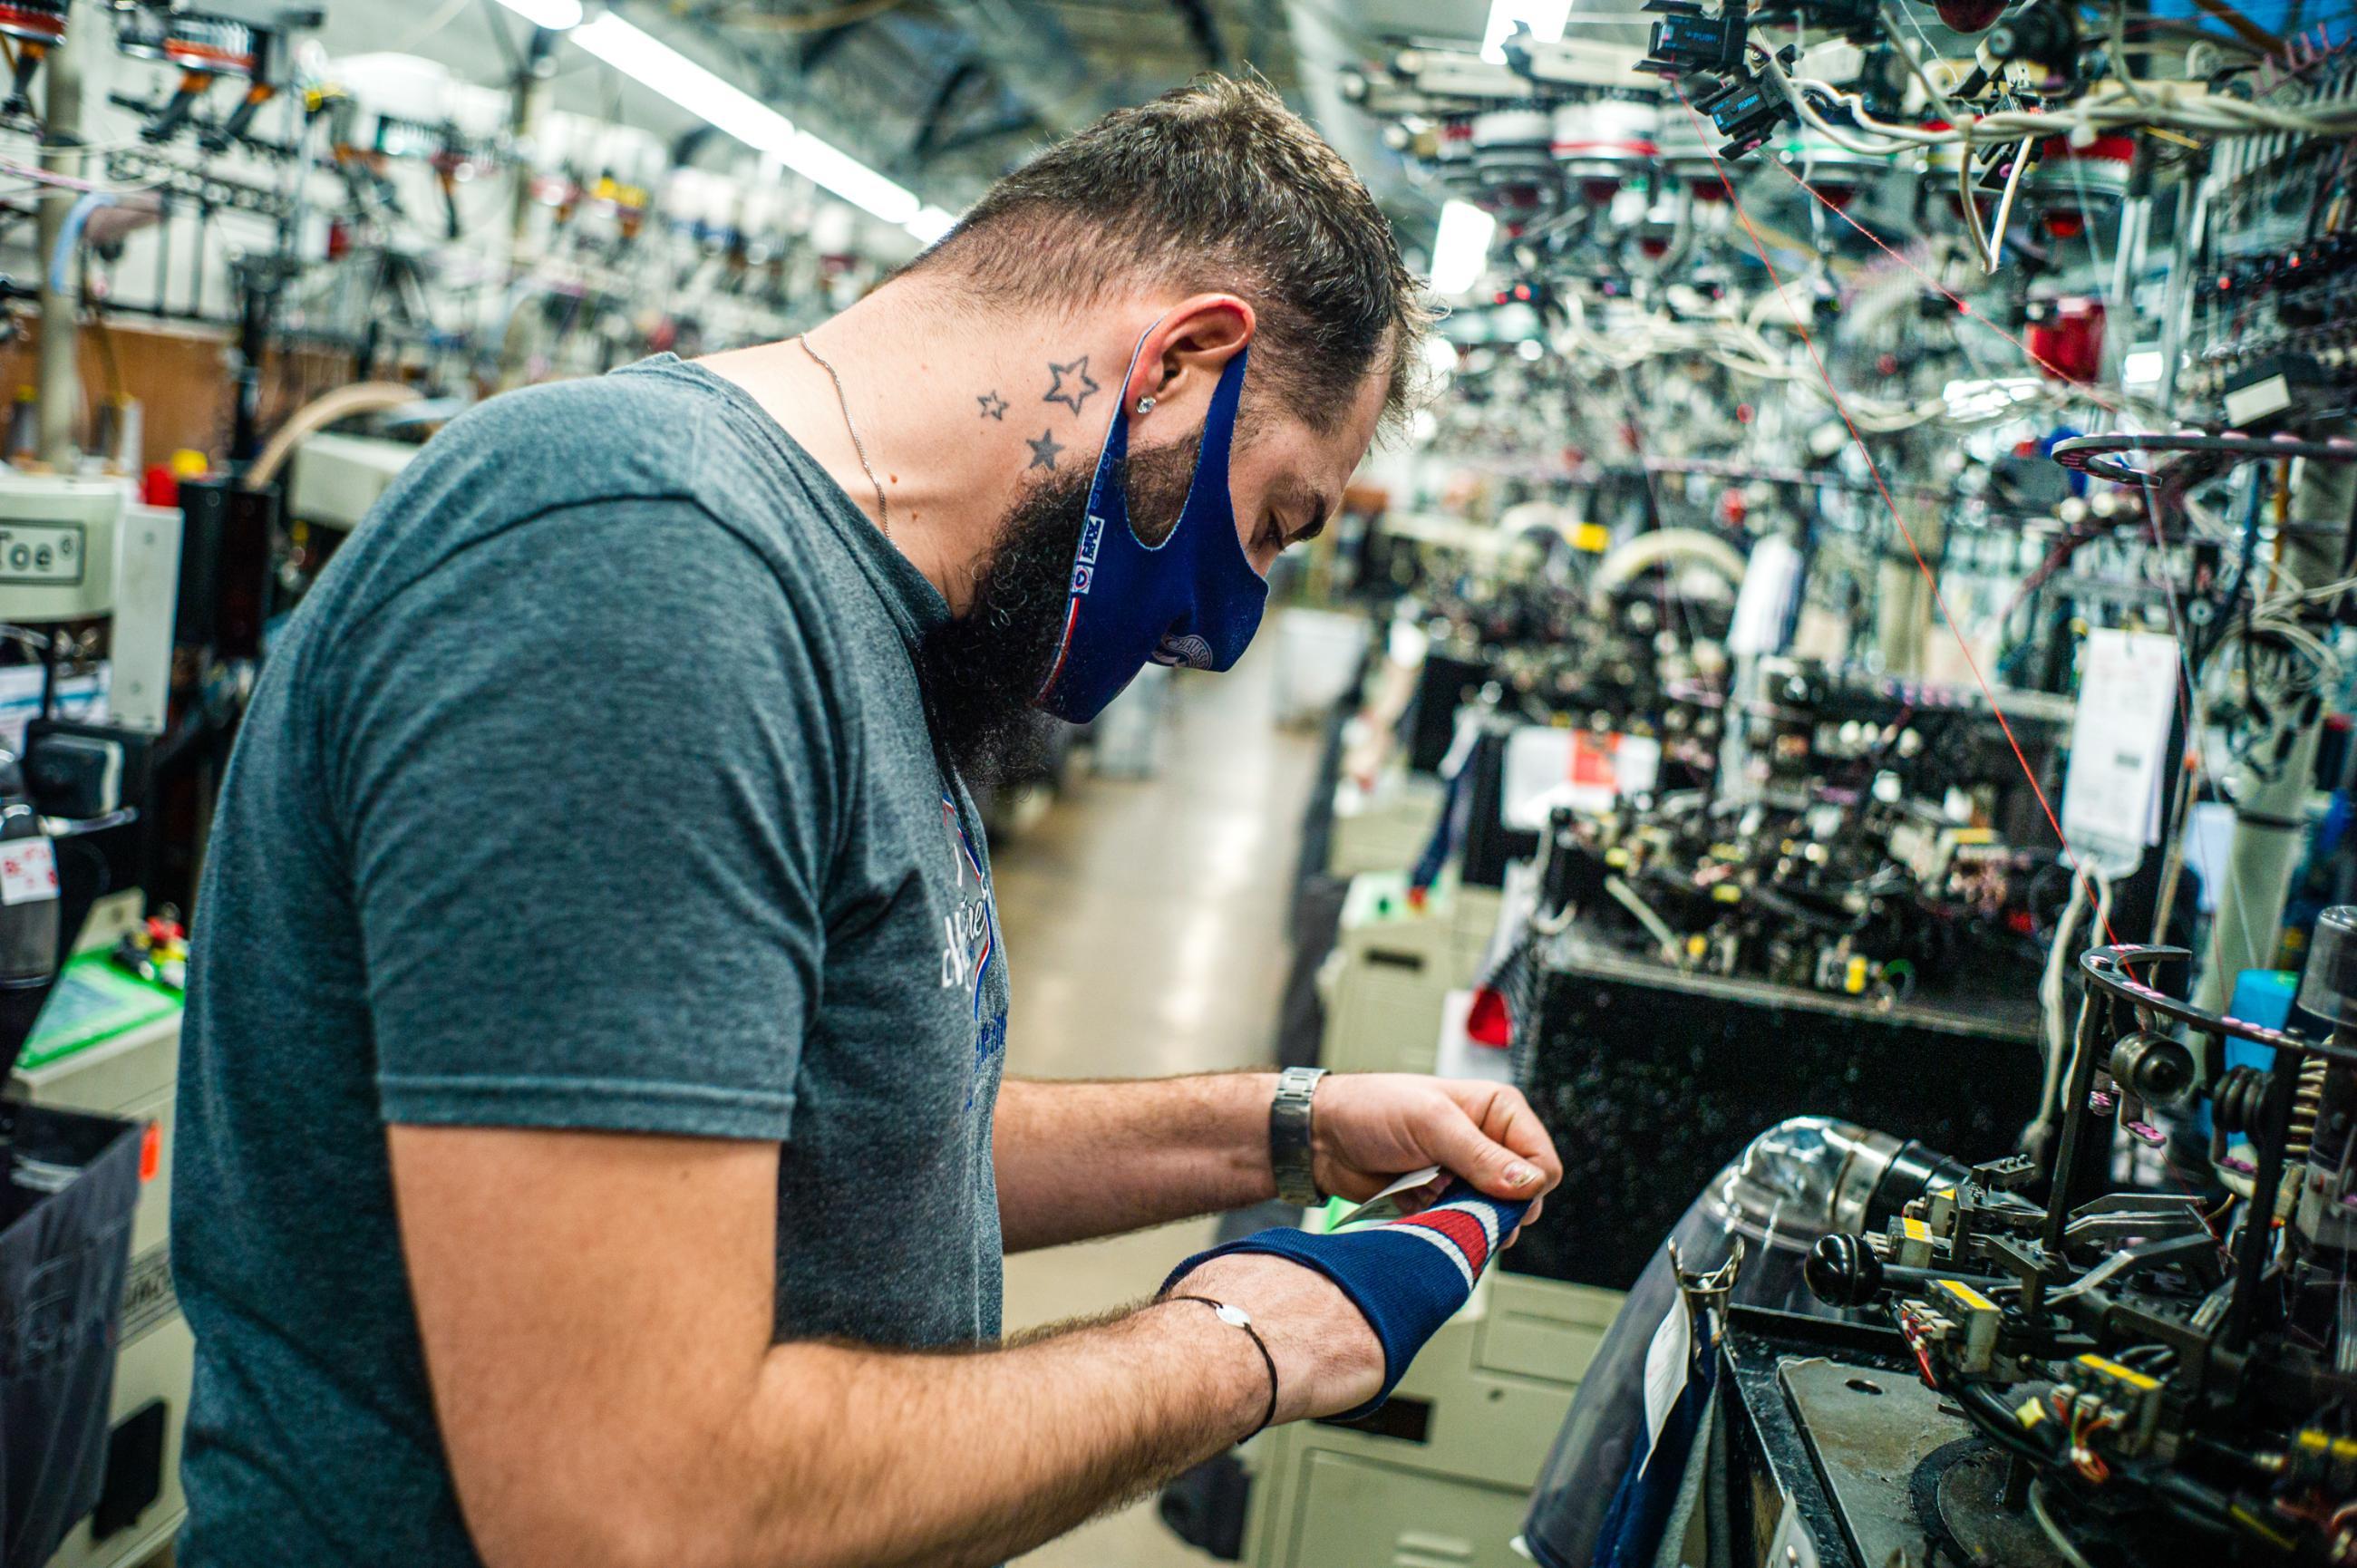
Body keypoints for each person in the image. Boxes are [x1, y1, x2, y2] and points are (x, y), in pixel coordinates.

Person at [173, 76, 1564, 1568]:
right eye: (1273, 518)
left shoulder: (874, 617)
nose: (1227, 625)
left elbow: (841, 1138)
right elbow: (635, 1513)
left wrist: (1277, 1131)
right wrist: (1246, 1339)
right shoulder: (647, 568)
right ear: (1179, 362)